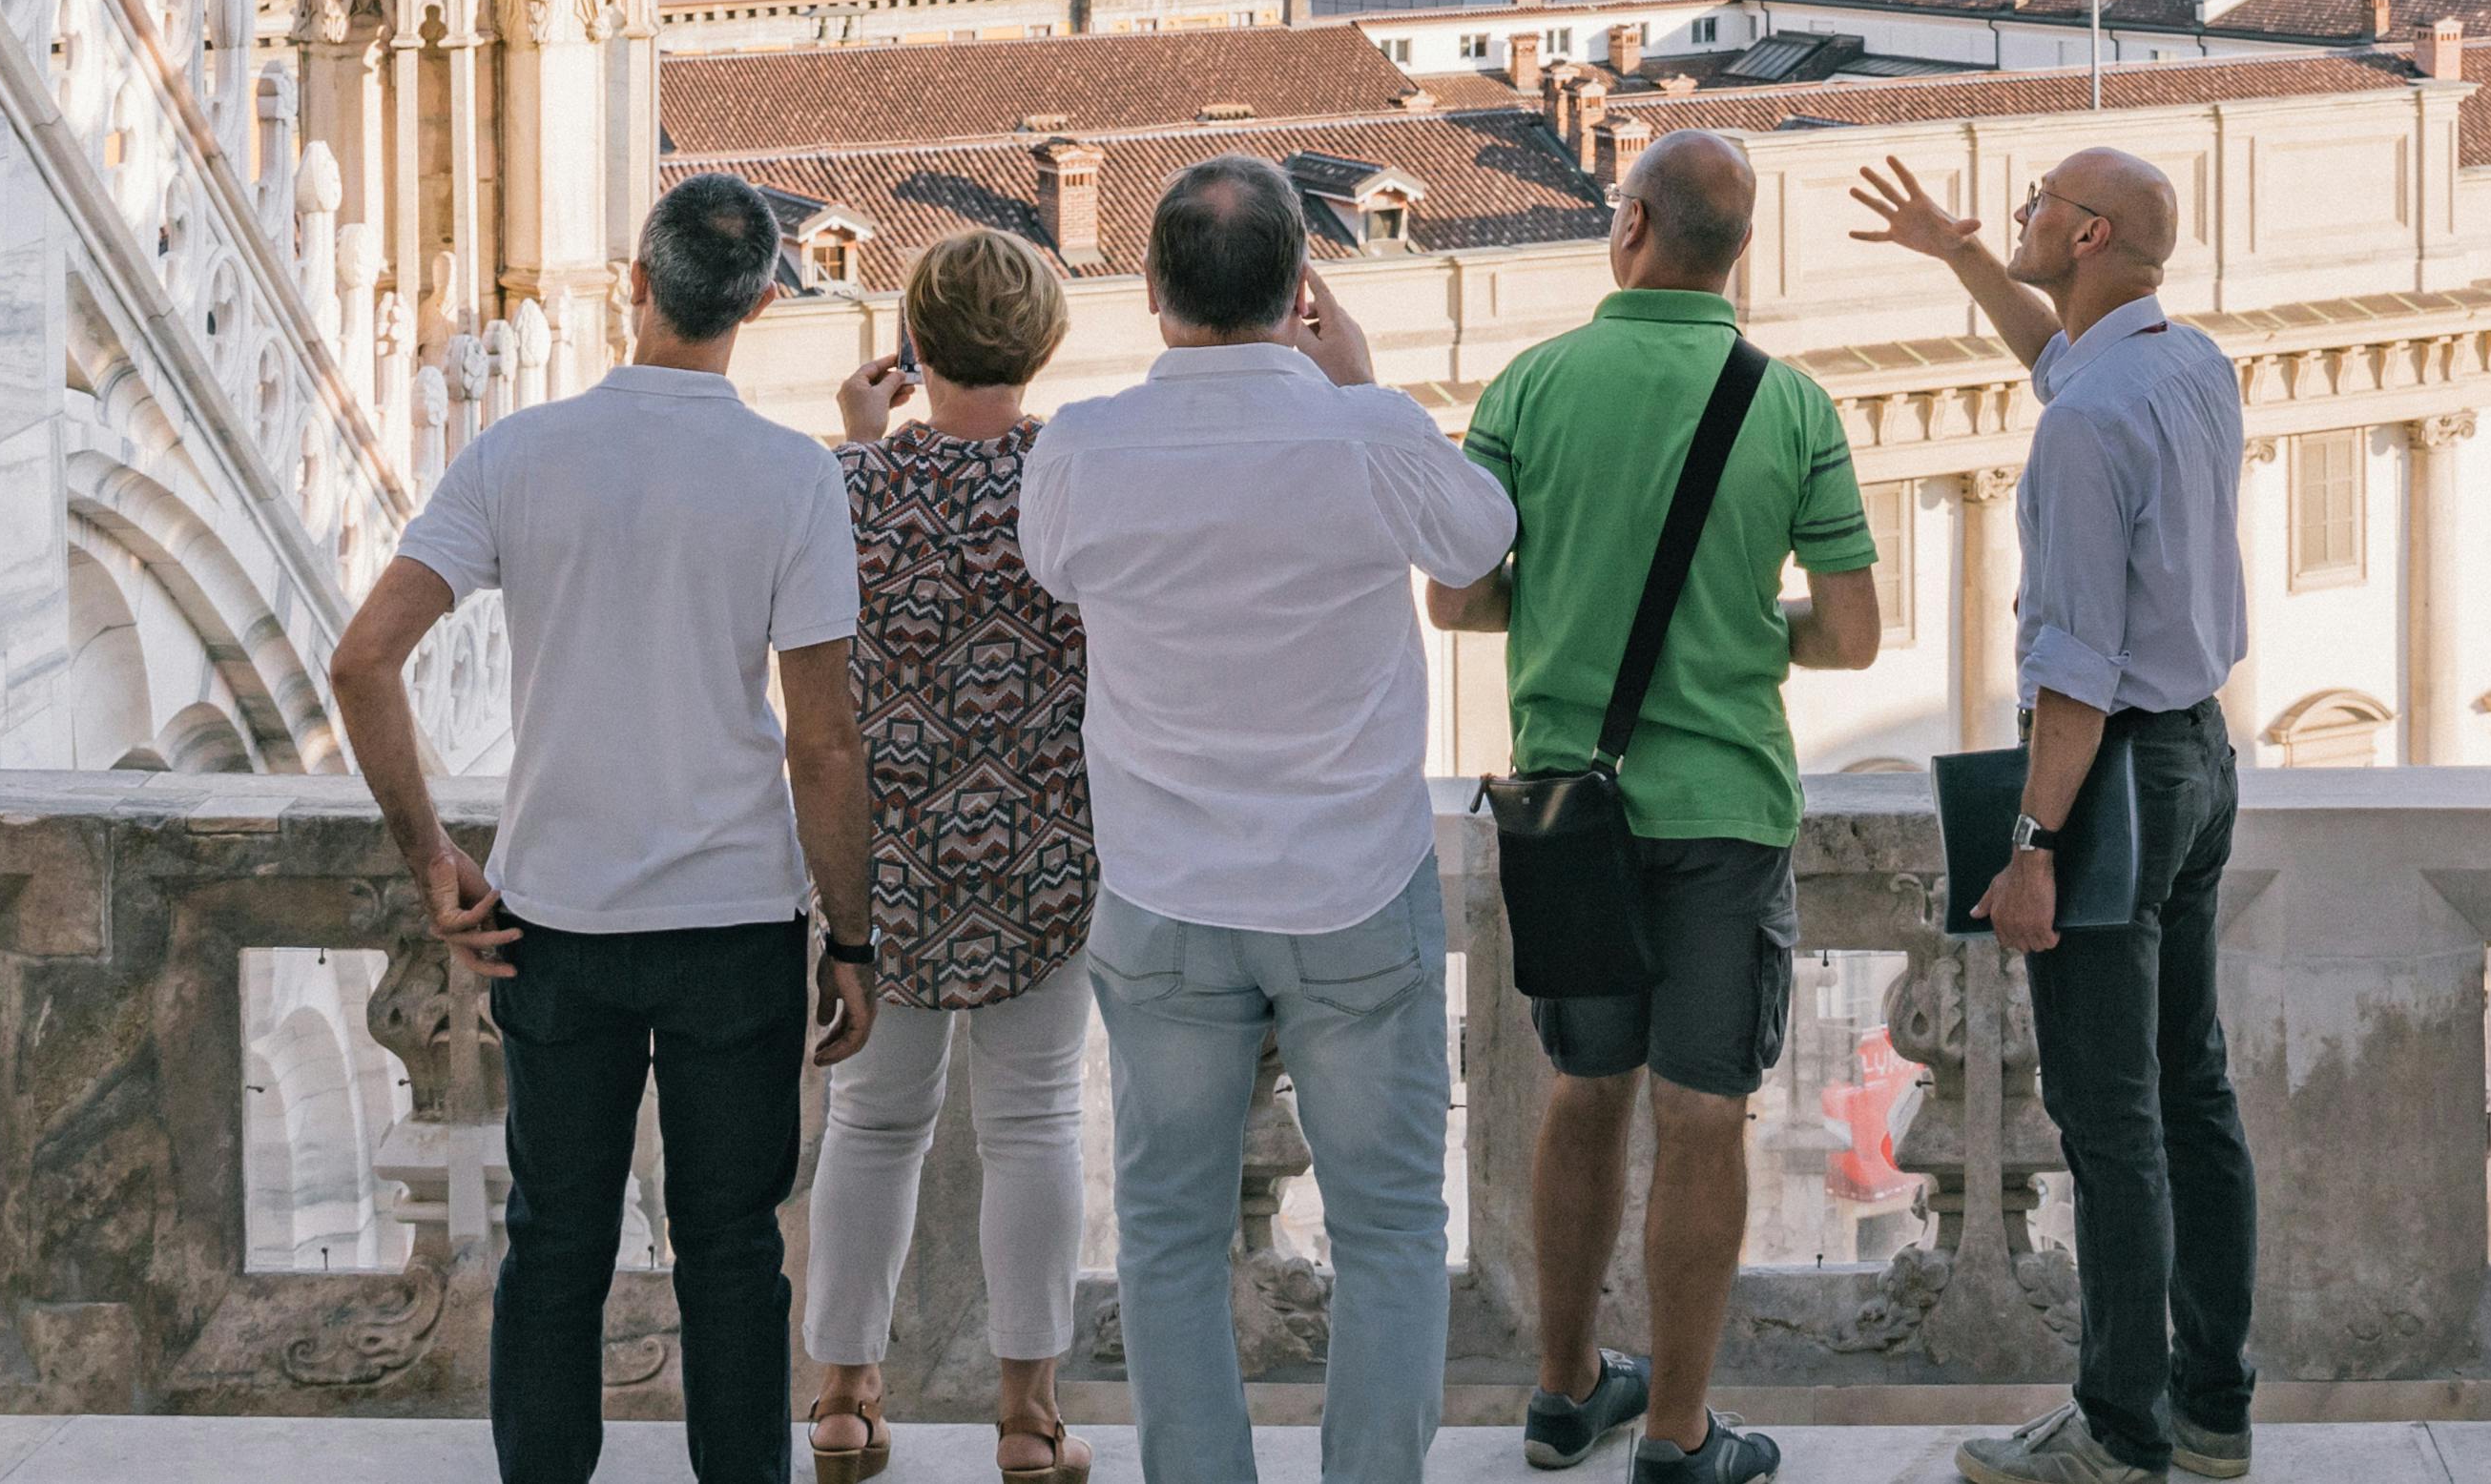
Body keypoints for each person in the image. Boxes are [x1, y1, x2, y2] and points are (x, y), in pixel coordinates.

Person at [329, 178, 873, 1484]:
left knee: (557, 1238)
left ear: (638, 283)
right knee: (734, 1250)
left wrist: (430, 861)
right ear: (759, 303)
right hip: (735, 920)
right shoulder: (795, 477)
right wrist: (851, 936)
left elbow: (363, 661)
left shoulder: (520, 452)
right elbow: (822, 743)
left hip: (555, 916)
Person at [1017, 154, 1514, 1484]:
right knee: (1394, 1225)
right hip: (1352, 887)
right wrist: (1358, 381)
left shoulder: (1085, 446)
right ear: (1305, 287)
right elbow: (1478, 540)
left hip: (1167, 892)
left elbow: (1050, 562)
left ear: (1150, 290)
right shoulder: (1367, 435)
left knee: (1170, 1231)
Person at [1439, 130, 1883, 1484]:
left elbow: (1459, 597)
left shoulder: (1529, 383)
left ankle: (1566, 1390)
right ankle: (1682, 1432)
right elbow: (1855, 633)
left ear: (1631, 225)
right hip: (1728, 804)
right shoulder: (1792, 404)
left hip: (1575, 807)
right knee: (1703, 1112)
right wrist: (1746, 635)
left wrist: (1567, 600)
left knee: (1584, 1090)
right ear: (1734, 251)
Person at [1847, 142, 2253, 1484]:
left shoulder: (2087, 423)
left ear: (2087, 234)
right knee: (2192, 1092)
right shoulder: (2184, 362)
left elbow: (2072, 668)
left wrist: (2030, 848)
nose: (2019, 210)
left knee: (2109, 1116)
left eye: (2033, 204)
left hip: (2112, 772)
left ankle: (2120, 1426)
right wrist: (1963, 251)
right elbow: (2057, 353)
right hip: (2199, 756)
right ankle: (2210, 1409)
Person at [801, 231, 1101, 1484]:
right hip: (1042, 848)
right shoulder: (1078, 478)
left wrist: (867, 443)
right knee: (1034, 1124)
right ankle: (1027, 1418)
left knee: (873, 1126)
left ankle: (844, 1402)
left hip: (889, 858)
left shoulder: (843, 486)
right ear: (1042, 344)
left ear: (916, 345)